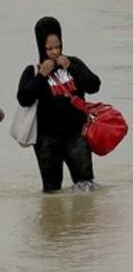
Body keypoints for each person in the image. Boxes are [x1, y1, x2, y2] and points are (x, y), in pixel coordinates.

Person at [16, 17, 101, 192]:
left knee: (85, 186)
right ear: (41, 46)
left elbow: (94, 85)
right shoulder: (33, 70)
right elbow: (24, 98)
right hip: (47, 140)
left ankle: (86, 221)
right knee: (52, 190)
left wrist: (71, 67)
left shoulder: (73, 63)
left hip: (77, 136)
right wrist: (41, 76)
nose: (55, 52)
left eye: (58, 46)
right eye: (50, 48)